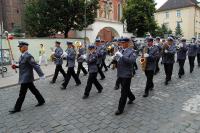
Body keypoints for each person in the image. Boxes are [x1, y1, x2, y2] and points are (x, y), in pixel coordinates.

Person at [9, 41, 45, 114]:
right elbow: (22, 65)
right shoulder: (22, 55)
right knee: (33, 90)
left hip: (26, 77)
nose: (19, 48)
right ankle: (41, 100)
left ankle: (17, 108)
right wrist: (15, 66)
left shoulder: (28, 56)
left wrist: (41, 75)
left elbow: (35, 65)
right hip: (24, 77)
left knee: (22, 93)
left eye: (20, 47)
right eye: (19, 47)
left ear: (25, 47)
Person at [115, 38, 136, 115]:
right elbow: (118, 60)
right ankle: (132, 97)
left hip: (127, 74)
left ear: (127, 43)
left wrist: (122, 56)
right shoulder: (120, 51)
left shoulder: (132, 51)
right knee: (126, 89)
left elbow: (131, 61)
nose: (122, 44)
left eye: (124, 43)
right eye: (121, 43)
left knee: (123, 91)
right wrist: (115, 58)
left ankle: (120, 109)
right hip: (120, 73)